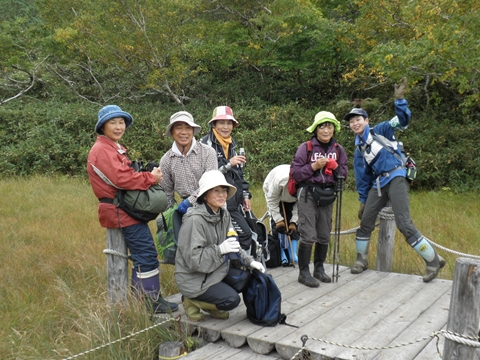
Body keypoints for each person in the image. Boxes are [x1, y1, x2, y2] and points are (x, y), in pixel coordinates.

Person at [344, 78, 446, 282]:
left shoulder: (381, 129)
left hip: (398, 176)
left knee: (404, 223)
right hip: (379, 184)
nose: (355, 123)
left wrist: (400, 101)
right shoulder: (358, 151)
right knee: (365, 222)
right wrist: (363, 201)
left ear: (367, 120)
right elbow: (363, 179)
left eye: (358, 119)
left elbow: (403, 121)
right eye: (351, 121)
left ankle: (433, 261)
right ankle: (361, 260)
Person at [87, 105, 178, 314]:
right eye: (113, 123)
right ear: (103, 126)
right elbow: (121, 179)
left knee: (143, 254)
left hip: (124, 210)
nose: (119, 127)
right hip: (122, 212)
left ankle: (144, 300)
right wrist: (150, 178)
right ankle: (150, 302)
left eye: (121, 123)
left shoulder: (112, 147)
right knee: (146, 254)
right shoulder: (102, 150)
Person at [174, 170, 265, 321]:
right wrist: (220, 250)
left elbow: (233, 244)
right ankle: (191, 301)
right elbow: (194, 260)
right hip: (193, 278)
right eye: (216, 191)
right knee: (231, 300)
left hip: (214, 269)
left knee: (245, 278)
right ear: (204, 195)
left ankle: (212, 305)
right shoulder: (194, 220)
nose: (222, 195)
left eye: (224, 191)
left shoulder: (224, 214)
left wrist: (251, 261)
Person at [291, 111, 348, 288]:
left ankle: (319, 269)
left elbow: (344, 175)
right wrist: (314, 166)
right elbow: (296, 173)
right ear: (315, 129)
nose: (325, 130)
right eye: (322, 126)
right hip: (307, 193)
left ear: (334, 129)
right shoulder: (305, 148)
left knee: (324, 234)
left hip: (328, 195)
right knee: (308, 234)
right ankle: (304, 273)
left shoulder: (338, 150)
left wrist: (336, 166)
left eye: (329, 126)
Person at [200, 106, 253, 252]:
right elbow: (205, 176)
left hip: (234, 200)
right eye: (221, 123)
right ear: (213, 125)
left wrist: (245, 196)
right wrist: (229, 164)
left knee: (246, 232)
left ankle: (237, 268)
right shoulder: (205, 145)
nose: (225, 127)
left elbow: (239, 174)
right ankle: (237, 269)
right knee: (243, 234)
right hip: (216, 201)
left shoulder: (231, 144)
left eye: (229, 123)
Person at [159, 111, 218, 213]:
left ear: (193, 131)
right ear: (172, 132)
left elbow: (210, 184)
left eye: (188, 127)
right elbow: (167, 193)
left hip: (212, 205)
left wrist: (189, 202)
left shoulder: (208, 152)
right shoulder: (166, 160)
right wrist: (173, 214)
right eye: (178, 127)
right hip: (186, 211)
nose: (184, 132)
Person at [263, 164, 299, 263]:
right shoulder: (280, 180)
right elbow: (272, 200)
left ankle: (293, 254)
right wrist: (279, 220)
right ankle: (282, 254)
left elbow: (300, 207)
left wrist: (294, 222)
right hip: (274, 193)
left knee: (293, 223)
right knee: (278, 225)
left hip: (292, 197)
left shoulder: (307, 184)